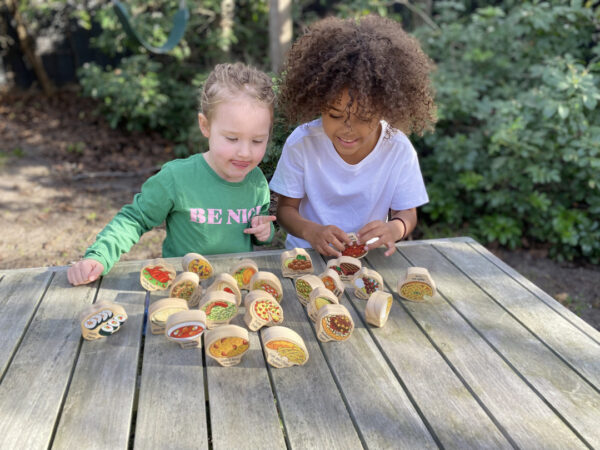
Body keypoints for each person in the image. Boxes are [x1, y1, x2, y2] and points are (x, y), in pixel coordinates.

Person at [68, 62, 276, 286]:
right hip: (181, 288)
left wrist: (265, 231)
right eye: (232, 139)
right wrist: (99, 256)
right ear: (205, 126)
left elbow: (259, 230)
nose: (245, 152)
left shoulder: (256, 182)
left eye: (257, 141)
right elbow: (135, 219)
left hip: (236, 288)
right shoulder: (177, 178)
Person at [269, 15, 437, 258]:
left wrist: (394, 229)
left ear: (384, 109)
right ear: (318, 104)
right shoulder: (302, 142)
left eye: (363, 118)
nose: (347, 128)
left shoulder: (398, 149)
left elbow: (407, 214)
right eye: (335, 115)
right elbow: (285, 210)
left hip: (370, 259)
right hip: (306, 258)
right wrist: (312, 232)